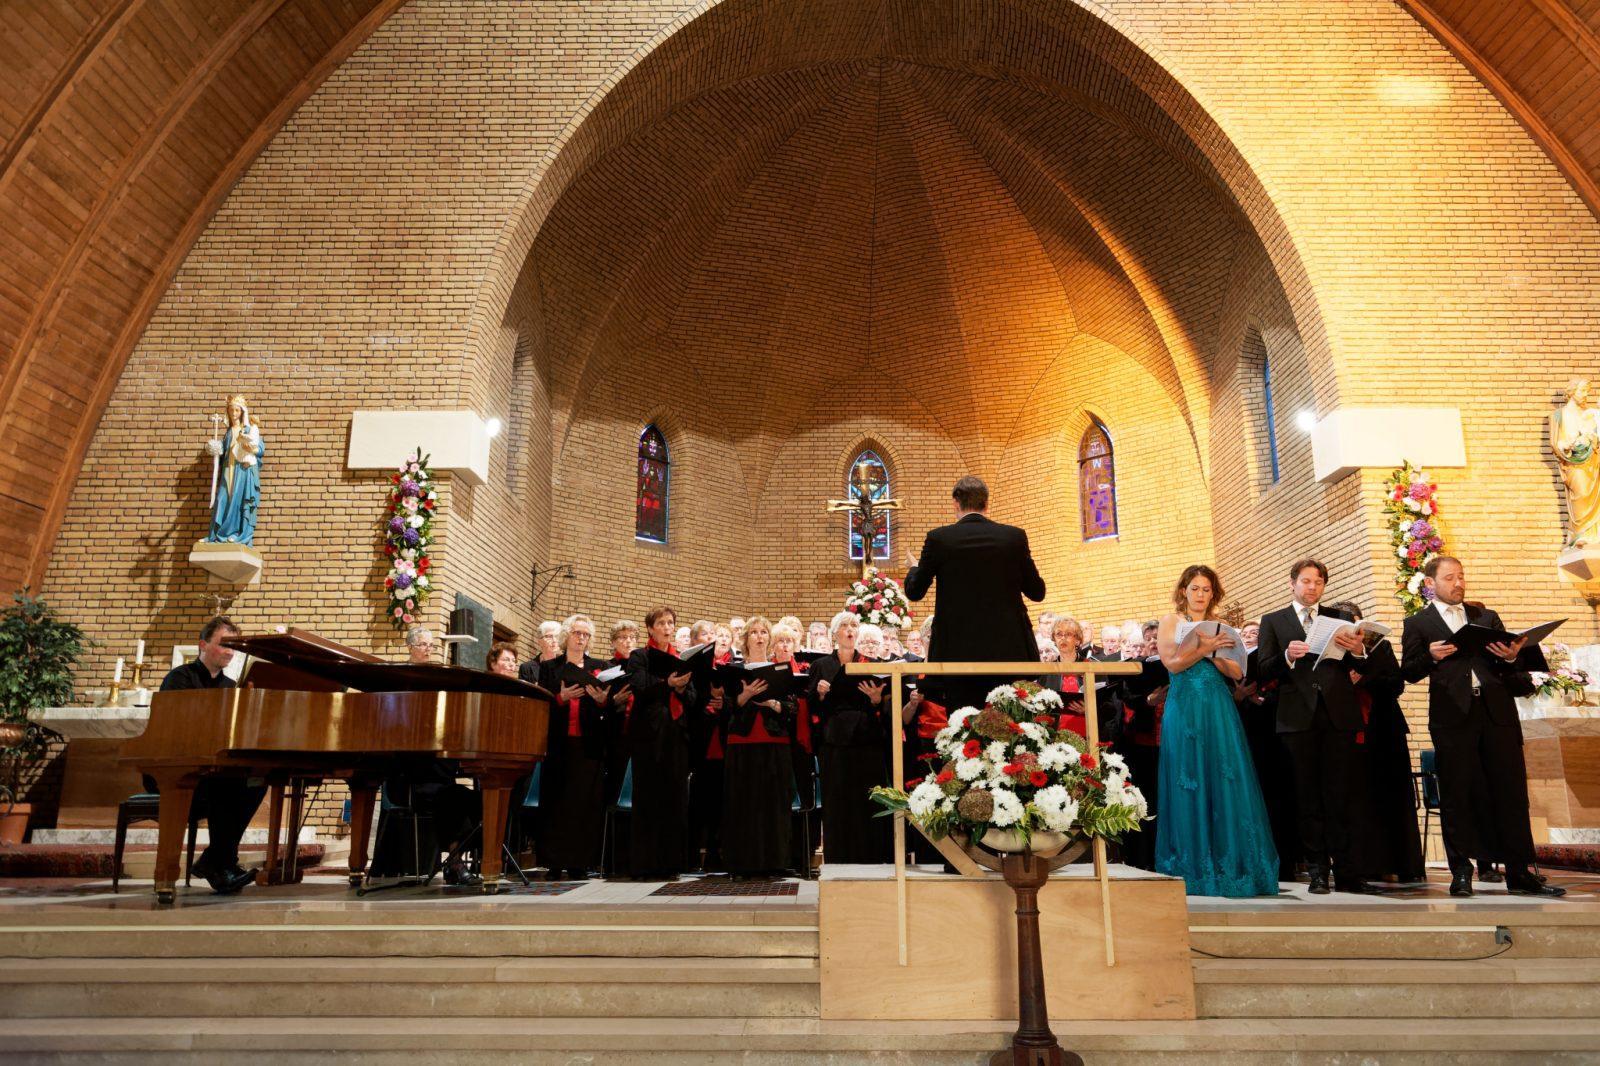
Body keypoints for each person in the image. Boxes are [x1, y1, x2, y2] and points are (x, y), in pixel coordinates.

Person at [1401, 556, 1564, 897]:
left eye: (1461, 577)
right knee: (1458, 795)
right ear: (1431, 583)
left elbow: (1512, 664)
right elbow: (1409, 672)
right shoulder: (1418, 623)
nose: (1458, 583)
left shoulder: (1484, 617)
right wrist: (1431, 656)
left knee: (1511, 794)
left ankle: (1519, 873)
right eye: (1449, 578)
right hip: (1453, 718)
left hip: (1496, 714)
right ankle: (1461, 873)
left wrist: (1510, 656)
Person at [1155, 565, 1279, 897]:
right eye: (1194, 588)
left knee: (1225, 778)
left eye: (1206, 589)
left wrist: (1215, 651)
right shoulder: (1172, 622)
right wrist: (1202, 648)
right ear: (1184, 591)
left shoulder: (1223, 627)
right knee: (1188, 778)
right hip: (1184, 707)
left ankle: (1233, 865)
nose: (1200, 594)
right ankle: (1192, 865)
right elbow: (1172, 663)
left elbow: (1237, 670)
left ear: (1213, 593)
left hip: (1216, 705)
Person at [1256, 560, 1374, 895]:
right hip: (1297, 718)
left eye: (1318, 582)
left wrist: (1359, 650)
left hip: (1338, 714)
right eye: (1306, 581)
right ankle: (1318, 870)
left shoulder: (1339, 618)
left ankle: (1349, 871)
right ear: (1292, 583)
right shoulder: (1274, 621)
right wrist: (1288, 657)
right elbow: (1263, 670)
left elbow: (1358, 663)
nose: (1312, 588)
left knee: (1342, 795)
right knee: (1307, 797)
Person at [904, 475, 1045, 711]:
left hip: (956, 654)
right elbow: (1037, 592)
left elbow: (915, 591)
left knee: (963, 729)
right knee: (1010, 729)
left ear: (955, 504)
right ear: (986, 504)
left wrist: (914, 569)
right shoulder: (1014, 537)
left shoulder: (939, 539)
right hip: (1009, 652)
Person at [155, 617, 263, 895]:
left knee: (256, 782)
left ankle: (216, 860)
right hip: (175, 771)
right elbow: (170, 727)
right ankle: (220, 864)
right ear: (203, 645)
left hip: (213, 771)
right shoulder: (180, 678)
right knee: (227, 785)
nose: (229, 652)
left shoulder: (230, 686)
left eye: (232, 647)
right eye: (223, 645)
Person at [1326, 600, 1425, 883]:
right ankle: (1363, 864)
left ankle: (1403, 863)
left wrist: (1365, 676)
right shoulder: (1331, 649)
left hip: (1384, 727)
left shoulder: (1380, 647)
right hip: (1347, 729)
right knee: (1356, 798)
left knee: (1393, 795)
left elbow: (1396, 684)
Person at [537, 615, 626, 880]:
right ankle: (554, 863)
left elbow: (610, 706)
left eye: (586, 634)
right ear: (567, 636)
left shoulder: (601, 667)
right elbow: (541, 702)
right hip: (559, 744)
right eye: (577, 633)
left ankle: (579, 862)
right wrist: (560, 697)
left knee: (584, 804)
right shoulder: (550, 667)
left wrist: (601, 701)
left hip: (589, 745)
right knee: (557, 802)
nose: (581, 638)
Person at [808, 611, 890, 864]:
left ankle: (871, 855)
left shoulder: (871, 663)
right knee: (838, 800)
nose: (850, 629)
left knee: (867, 797)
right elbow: (811, 707)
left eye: (854, 625)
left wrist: (877, 700)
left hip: (867, 739)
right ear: (835, 634)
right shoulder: (821, 665)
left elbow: (884, 703)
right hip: (836, 740)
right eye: (844, 625)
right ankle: (839, 856)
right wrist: (820, 695)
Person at [722, 617, 797, 878]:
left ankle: (774, 862)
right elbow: (725, 709)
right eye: (753, 632)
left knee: (773, 804)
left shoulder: (780, 669)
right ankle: (742, 864)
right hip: (741, 743)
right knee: (743, 803)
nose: (759, 636)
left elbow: (792, 707)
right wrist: (745, 696)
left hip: (774, 742)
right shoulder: (733, 670)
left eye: (764, 631)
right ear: (745, 639)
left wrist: (773, 704)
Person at [625, 607, 697, 880]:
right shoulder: (639, 656)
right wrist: (668, 683)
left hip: (676, 736)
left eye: (671, 623)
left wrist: (681, 688)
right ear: (650, 629)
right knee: (649, 799)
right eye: (661, 623)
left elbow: (691, 697)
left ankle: (671, 864)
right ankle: (646, 865)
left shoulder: (681, 659)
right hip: (649, 737)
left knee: (675, 798)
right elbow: (639, 687)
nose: (667, 627)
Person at [205, 395, 265, 546]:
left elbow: (259, 448)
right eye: (231, 410)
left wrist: (253, 449)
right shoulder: (229, 432)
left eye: (237, 410)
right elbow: (223, 451)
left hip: (243, 471)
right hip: (228, 469)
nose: (234, 413)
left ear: (242, 412)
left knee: (239, 499)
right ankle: (216, 534)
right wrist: (215, 448)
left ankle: (238, 534)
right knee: (222, 499)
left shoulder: (248, 429)